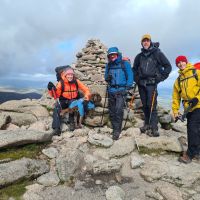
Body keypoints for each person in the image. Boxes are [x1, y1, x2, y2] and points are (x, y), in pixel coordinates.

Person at [133, 34, 172, 137]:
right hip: (141, 84)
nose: (146, 42)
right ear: (142, 43)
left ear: (150, 42)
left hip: (152, 84)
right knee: (145, 105)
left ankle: (154, 127)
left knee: (152, 106)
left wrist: (160, 78)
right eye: (144, 41)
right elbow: (134, 69)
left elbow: (168, 67)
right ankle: (146, 124)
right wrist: (136, 78)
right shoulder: (139, 56)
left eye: (147, 40)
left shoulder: (157, 54)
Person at [172, 55, 200, 164]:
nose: (180, 64)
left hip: (198, 105)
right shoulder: (178, 80)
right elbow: (176, 97)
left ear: (186, 62)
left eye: (182, 61)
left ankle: (190, 154)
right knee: (195, 129)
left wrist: (197, 98)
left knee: (192, 129)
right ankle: (197, 152)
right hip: (189, 108)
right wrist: (175, 111)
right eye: (178, 63)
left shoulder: (196, 73)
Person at [47, 67, 91, 135]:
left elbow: (86, 89)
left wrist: (87, 96)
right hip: (63, 100)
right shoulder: (61, 83)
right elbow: (56, 95)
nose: (70, 76)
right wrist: (50, 90)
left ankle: (72, 123)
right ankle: (56, 128)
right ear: (65, 75)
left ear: (73, 75)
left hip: (72, 100)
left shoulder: (76, 81)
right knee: (57, 107)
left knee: (73, 103)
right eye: (68, 74)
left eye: (71, 74)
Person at [105, 47, 134, 140]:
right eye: (110, 55)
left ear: (117, 54)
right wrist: (107, 78)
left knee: (118, 110)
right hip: (111, 90)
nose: (112, 56)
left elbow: (130, 76)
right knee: (112, 110)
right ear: (109, 56)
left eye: (114, 54)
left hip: (121, 90)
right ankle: (114, 127)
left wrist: (128, 87)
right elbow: (106, 77)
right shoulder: (108, 65)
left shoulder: (124, 63)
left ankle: (117, 130)